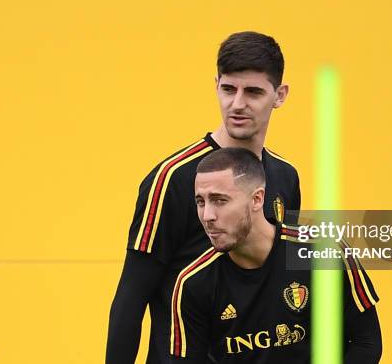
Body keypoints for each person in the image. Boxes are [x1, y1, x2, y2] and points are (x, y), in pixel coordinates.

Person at [106, 32, 301, 363]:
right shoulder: (173, 178)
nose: (238, 104)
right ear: (216, 86)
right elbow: (131, 297)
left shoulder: (286, 176)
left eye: (253, 92)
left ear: (279, 95)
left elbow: (287, 277)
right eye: (228, 89)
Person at [171, 148, 382, 363]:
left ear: (257, 199)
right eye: (200, 202)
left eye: (219, 200)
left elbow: (366, 343)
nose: (207, 216)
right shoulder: (193, 282)